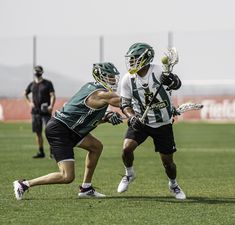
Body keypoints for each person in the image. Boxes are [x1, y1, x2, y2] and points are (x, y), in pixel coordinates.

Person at [13, 62, 123, 200]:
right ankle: (24, 184)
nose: (113, 80)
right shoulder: (100, 93)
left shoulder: (93, 89)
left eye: (113, 77)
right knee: (67, 176)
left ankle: (86, 188)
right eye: (110, 76)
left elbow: (84, 117)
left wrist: (107, 117)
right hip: (61, 130)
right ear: (100, 76)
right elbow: (123, 102)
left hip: (70, 128)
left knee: (96, 147)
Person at [117, 42, 186, 200]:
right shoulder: (128, 79)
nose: (132, 62)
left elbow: (177, 84)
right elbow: (125, 104)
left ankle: (173, 184)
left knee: (168, 163)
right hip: (141, 121)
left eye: (135, 58)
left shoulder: (159, 70)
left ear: (145, 58)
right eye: (131, 59)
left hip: (163, 124)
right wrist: (132, 117)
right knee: (127, 148)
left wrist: (171, 81)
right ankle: (129, 174)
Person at [24, 65, 56, 158]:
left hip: (46, 112)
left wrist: (51, 106)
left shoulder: (47, 83)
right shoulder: (32, 84)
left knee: (49, 131)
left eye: (38, 71)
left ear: (41, 72)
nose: (37, 73)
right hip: (35, 112)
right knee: (38, 132)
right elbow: (25, 93)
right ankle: (41, 152)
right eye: (36, 71)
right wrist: (29, 103)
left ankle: (52, 152)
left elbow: (53, 95)